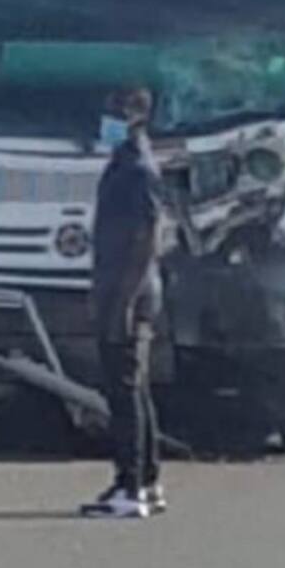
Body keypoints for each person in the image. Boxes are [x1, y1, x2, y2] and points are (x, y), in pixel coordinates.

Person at [81, 88, 166, 520]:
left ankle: (129, 485)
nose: (104, 120)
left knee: (124, 391)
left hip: (128, 292)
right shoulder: (126, 160)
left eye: (113, 112)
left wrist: (124, 301)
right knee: (135, 387)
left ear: (135, 115)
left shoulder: (136, 166)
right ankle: (147, 479)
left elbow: (147, 234)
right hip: (124, 289)